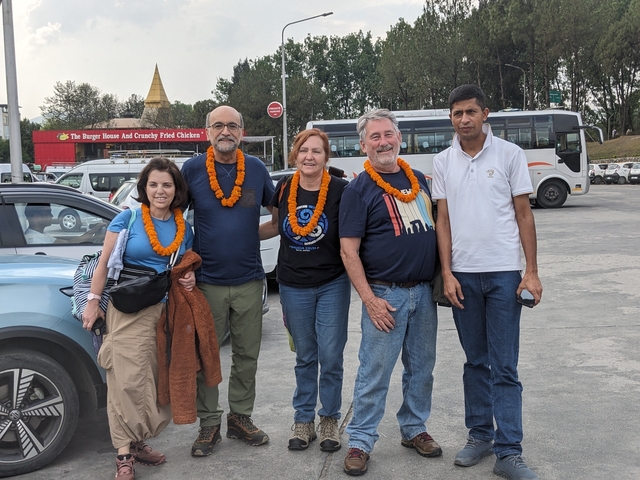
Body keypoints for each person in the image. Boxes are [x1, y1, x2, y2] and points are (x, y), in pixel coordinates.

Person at [432, 84, 543, 480]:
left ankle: (509, 452)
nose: (465, 119)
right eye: (458, 113)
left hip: (503, 275)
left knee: (504, 366)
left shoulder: (510, 155)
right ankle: (480, 436)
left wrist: (530, 271)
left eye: (471, 112)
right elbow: (441, 221)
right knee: (474, 361)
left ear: (486, 113)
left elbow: (524, 214)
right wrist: (446, 273)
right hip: (462, 275)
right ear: (451, 118)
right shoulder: (443, 161)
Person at [339, 109, 440, 476]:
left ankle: (414, 429)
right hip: (385, 296)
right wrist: (369, 299)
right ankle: (361, 441)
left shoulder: (419, 179)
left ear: (399, 137)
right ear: (363, 144)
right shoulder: (358, 189)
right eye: (375, 137)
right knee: (375, 372)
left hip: (424, 294)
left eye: (388, 134)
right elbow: (349, 250)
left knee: (422, 369)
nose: (383, 142)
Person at [82, 157, 196, 480]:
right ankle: (123, 455)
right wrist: (93, 302)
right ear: (144, 188)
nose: (160, 191)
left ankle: (137, 442)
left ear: (176, 190)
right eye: (154, 184)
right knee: (124, 381)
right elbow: (103, 264)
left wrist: (188, 280)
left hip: (161, 312)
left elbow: (181, 270)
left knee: (150, 380)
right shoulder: (127, 219)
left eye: (167, 185)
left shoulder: (183, 228)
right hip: (126, 310)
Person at [181, 105, 275, 456]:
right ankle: (209, 425)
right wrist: (185, 263)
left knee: (247, 355)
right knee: (207, 358)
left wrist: (253, 236)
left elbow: (277, 215)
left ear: (242, 131)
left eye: (232, 126)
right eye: (218, 125)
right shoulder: (191, 170)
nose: (225, 131)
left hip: (250, 280)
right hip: (206, 283)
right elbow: (174, 220)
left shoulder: (256, 169)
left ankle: (240, 418)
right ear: (207, 132)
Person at [259, 128, 350, 452]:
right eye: (303, 150)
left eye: (317, 151)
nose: (309, 156)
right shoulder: (284, 188)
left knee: (331, 355)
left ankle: (329, 420)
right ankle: (303, 421)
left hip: (332, 284)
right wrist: (238, 238)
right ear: (295, 155)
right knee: (305, 356)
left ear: (326, 157)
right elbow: (275, 224)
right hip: (293, 285)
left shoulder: (340, 190)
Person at [23, 203, 105, 244]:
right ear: (37, 217)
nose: (51, 215)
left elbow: (70, 243)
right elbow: (71, 244)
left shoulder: (39, 235)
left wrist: (94, 230)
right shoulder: (35, 241)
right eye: (48, 213)